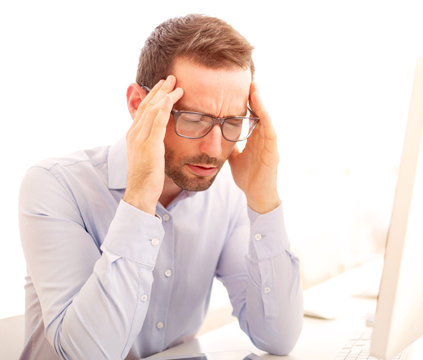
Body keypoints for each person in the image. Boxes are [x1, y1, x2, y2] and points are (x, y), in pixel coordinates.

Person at [19, 14, 303, 359]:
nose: (215, 150)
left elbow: (278, 337)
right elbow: (87, 354)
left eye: (232, 122)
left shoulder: (225, 198)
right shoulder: (56, 187)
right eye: (195, 119)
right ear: (140, 106)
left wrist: (263, 198)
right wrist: (139, 199)